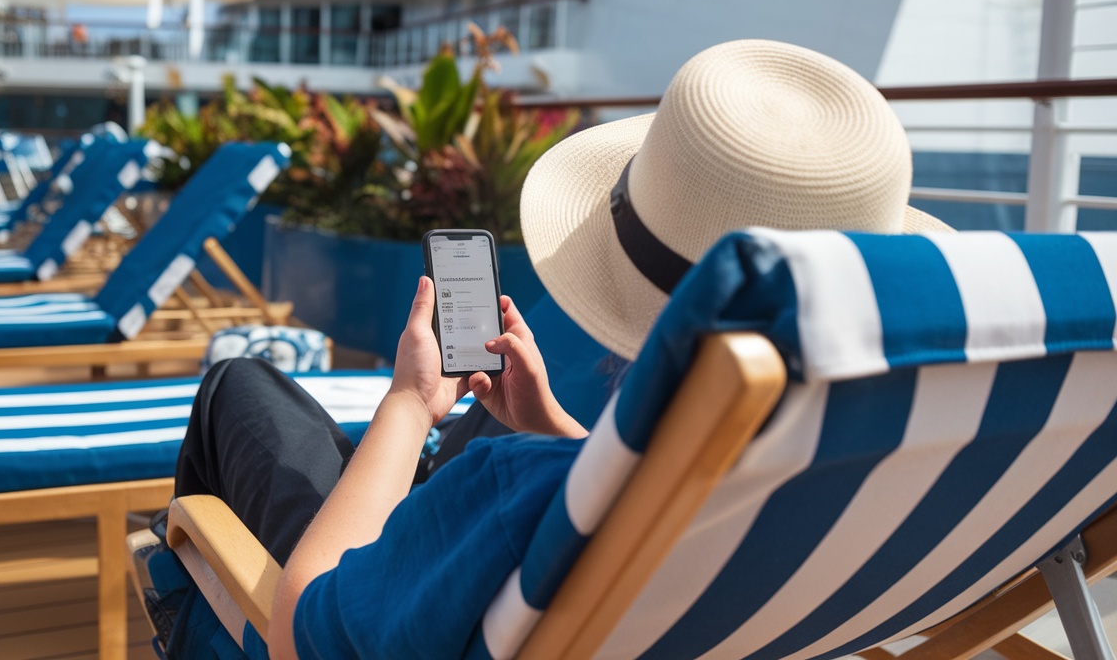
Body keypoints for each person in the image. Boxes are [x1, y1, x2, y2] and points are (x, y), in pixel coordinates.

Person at [168, 39, 952, 658]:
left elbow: (305, 635)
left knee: (236, 388)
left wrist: (409, 405)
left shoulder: (511, 488)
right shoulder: (885, 487)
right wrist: (557, 429)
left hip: (403, 602)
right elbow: (647, 511)